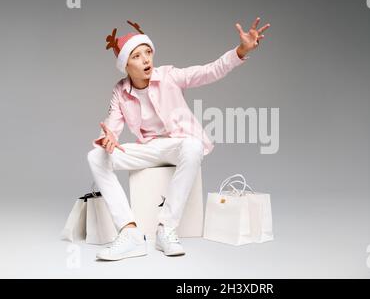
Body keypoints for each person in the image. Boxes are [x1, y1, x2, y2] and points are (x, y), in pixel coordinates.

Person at [87, 18, 270, 261]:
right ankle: (130, 233)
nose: (146, 60)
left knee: (193, 146)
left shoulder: (169, 76)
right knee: (96, 156)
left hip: (177, 144)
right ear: (125, 66)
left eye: (148, 52)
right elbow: (111, 125)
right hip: (149, 148)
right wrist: (107, 138)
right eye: (137, 56)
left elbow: (208, 71)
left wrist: (240, 52)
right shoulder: (120, 91)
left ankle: (166, 228)